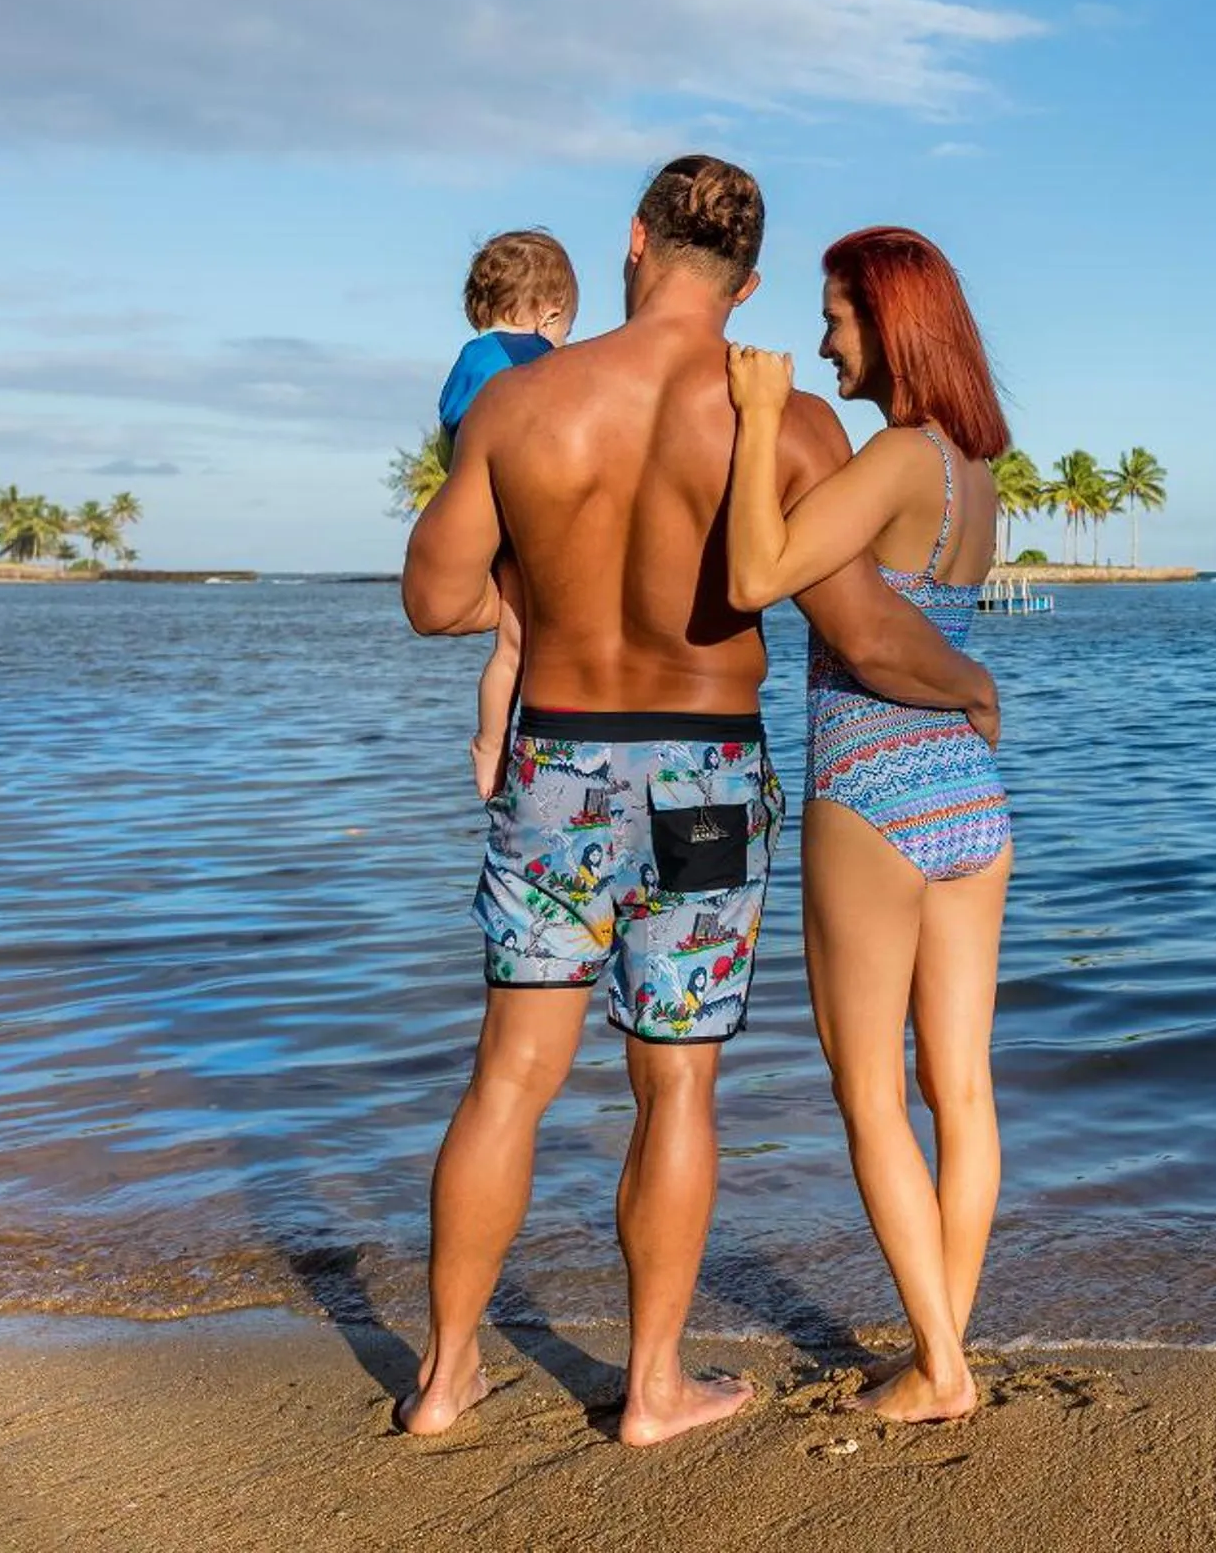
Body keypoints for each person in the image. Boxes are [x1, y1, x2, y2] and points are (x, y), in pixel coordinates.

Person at [397, 161, 1000, 1446]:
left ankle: (445, 1381)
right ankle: (654, 1387)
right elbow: (857, 628)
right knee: (677, 1089)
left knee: (510, 1074)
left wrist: (532, 590)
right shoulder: (781, 423)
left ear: (632, 242)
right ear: (752, 281)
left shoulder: (521, 401)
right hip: (707, 778)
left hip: (557, 761)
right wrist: (970, 682)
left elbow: (434, 600)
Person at [723, 224, 1014, 1425]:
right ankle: (945, 1339)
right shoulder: (976, 474)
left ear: (885, 321)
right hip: (970, 794)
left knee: (868, 1093)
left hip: (871, 786)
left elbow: (757, 575)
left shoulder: (898, 454)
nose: (824, 337)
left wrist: (754, 424)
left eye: (835, 314)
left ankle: (939, 1370)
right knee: (965, 1088)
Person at [435, 229, 576, 802]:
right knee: (532, 643)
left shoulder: (469, 359)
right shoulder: (535, 360)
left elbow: (448, 440)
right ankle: (522, 747)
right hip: (529, 515)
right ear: (551, 313)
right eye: (568, 327)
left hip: (483, 511)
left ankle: (490, 742)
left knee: (509, 647)